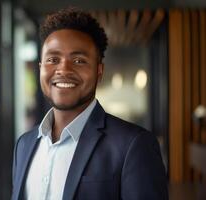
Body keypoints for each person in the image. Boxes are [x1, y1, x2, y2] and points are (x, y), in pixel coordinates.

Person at [11, 7, 168, 200]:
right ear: (41, 68)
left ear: (99, 71)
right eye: (53, 59)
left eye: (78, 60)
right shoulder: (24, 144)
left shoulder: (134, 146)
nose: (63, 69)